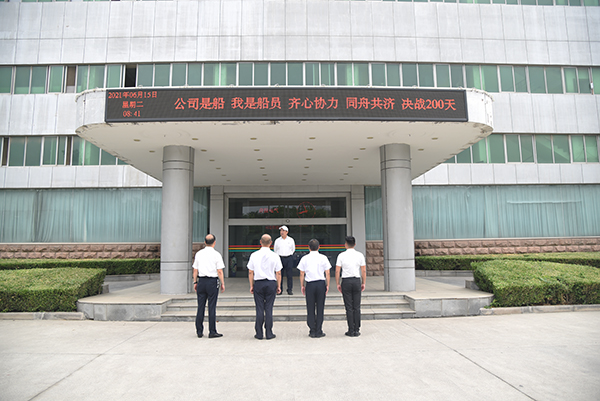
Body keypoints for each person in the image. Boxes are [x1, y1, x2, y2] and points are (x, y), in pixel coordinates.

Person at [248, 234, 282, 340]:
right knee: (268, 308)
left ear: (260, 242)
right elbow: (278, 272)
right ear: (271, 243)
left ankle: (259, 333)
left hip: (258, 283)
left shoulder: (254, 255)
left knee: (259, 308)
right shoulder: (275, 255)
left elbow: (250, 271)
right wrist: (279, 285)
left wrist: (251, 285)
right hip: (271, 283)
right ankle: (269, 332)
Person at [192, 234, 225, 338]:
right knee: (212, 307)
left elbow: (195, 269)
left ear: (205, 242)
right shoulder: (217, 255)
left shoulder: (199, 254)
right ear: (214, 242)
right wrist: (222, 283)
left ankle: (199, 331)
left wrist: (195, 282)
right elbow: (219, 271)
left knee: (200, 307)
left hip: (201, 281)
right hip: (212, 282)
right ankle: (212, 331)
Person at [297, 239, 330, 338]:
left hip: (310, 284)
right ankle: (319, 330)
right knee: (320, 307)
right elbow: (327, 273)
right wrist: (327, 285)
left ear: (308, 247)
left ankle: (312, 330)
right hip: (320, 283)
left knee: (310, 307)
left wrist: (302, 285)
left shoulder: (304, 258)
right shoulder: (323, 258)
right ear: (319, 247)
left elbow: (302, 273)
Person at [335, 236, 366, 337]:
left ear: (345, 244)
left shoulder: (341, 255)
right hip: (356, 280)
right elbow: (363, 270)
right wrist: (363, 282)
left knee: (348, 307)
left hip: (346, 281)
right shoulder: (360, 255)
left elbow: (337, 271)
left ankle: (350, 329)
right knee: (356, 307)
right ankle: (357, 329)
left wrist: (338, 283)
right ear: (355, 244)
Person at [273, 225, 295, 295]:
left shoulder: (291, 240)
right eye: (281, 231)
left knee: (289, 275)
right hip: (280, 258)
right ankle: (280, 289)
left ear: (287, 232)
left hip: (289, 258)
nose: (281, 232)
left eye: (283, 231)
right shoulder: (277, 240)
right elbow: (275, 250)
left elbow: (293, 249)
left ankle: (289, 289)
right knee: (279, 274)